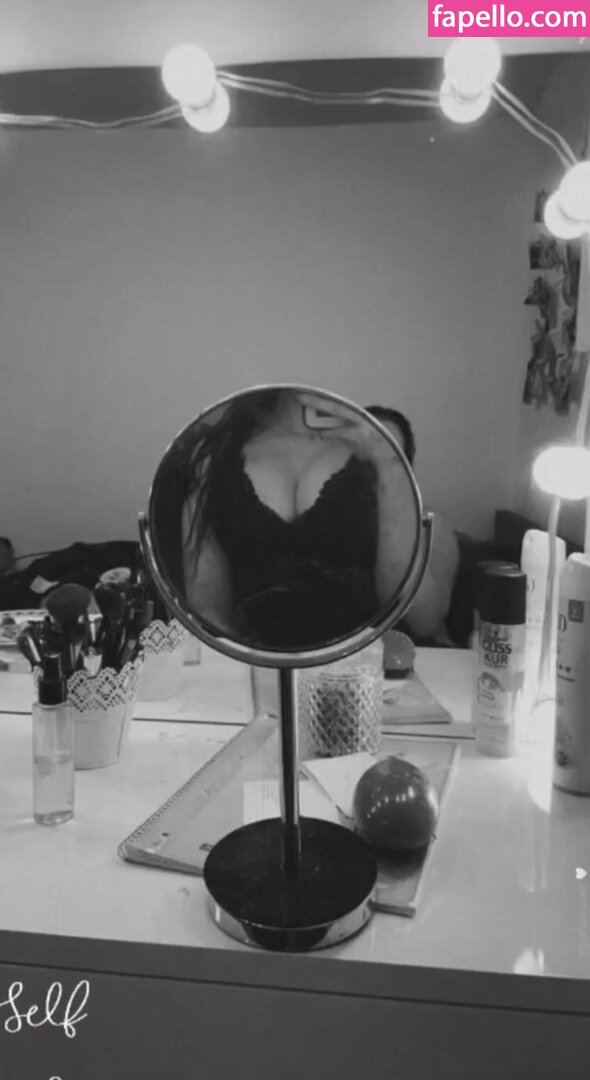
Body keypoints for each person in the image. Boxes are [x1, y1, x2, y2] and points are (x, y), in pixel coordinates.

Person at [180, 389, 419, 650]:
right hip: (251, 664)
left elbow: (416, 613)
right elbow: (207, 607)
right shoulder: (214, 457)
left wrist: (389, 465)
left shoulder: (372, 452)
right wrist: (252, 664)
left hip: (360, 664)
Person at [366, 405, 460, 644]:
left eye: (390, 460)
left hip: (418, 654)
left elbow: (425, 622)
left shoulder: (430, 525)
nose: (377, 473)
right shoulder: (323, 528)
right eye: (365, 459)